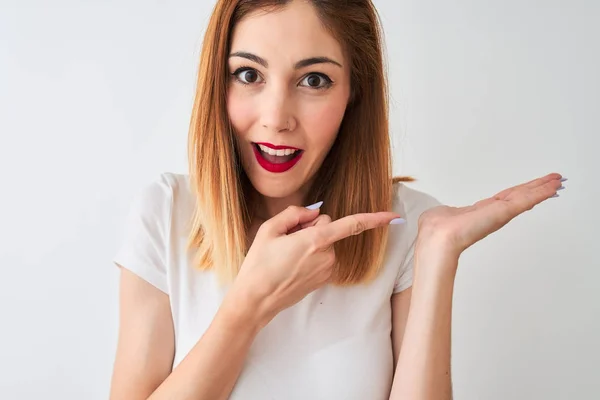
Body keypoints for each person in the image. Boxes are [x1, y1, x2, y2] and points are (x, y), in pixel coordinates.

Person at [109, 1, 567, 399]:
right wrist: (248, 306)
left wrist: (437, 254)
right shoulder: (166, 213)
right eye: (249, 74)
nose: (276, 118)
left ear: (354, 92)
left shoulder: (407, 225)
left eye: (313, 80)